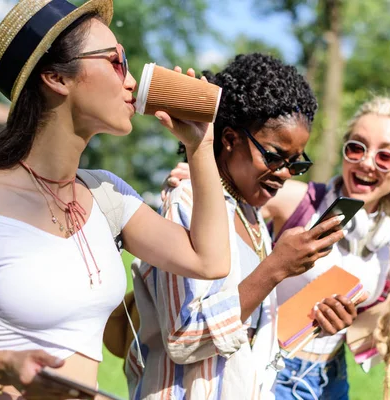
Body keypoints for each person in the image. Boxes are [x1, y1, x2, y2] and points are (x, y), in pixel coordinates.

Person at [0, 0, 232, 398]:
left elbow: (209, 260)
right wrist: (0, 366)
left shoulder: (108, 194)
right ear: (55, 77)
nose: (131, 81)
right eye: (116, 62)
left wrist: (201, 145)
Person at [164, 95, 390, 399]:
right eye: (356, 148)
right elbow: (232, 185)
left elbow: (359, 333)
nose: (367, 163)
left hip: (331, 378)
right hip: (276, 371)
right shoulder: (299, 200)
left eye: (385, 156)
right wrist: (203, 176)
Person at [126, 53, 357, 400]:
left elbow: (246, 332)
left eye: (295, 164)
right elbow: (184, 337)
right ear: (230, 138)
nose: (283, 173)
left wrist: (313, 320)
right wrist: (275, 268)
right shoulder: (187, 202)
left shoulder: (251, 215)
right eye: (274, 156)